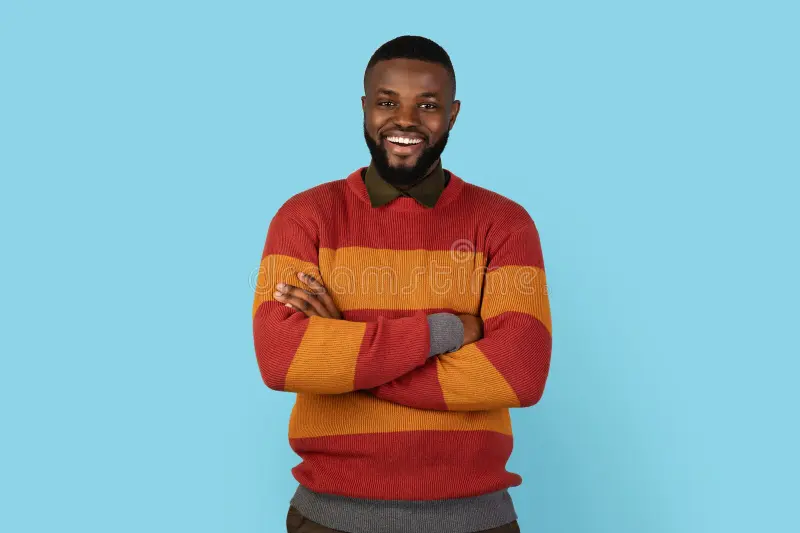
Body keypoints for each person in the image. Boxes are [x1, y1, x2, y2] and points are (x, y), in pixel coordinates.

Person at [251, 35, 553, 533]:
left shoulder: (504, 223)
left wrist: (346, 348)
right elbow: (281, 359)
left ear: (453, 114)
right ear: (364, 108)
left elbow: (517, 373)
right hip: (329, 519)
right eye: (388, 102)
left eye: (427, 105)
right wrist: (448, 331)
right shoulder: (304, 217)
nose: (406, 120)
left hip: (476, 521)